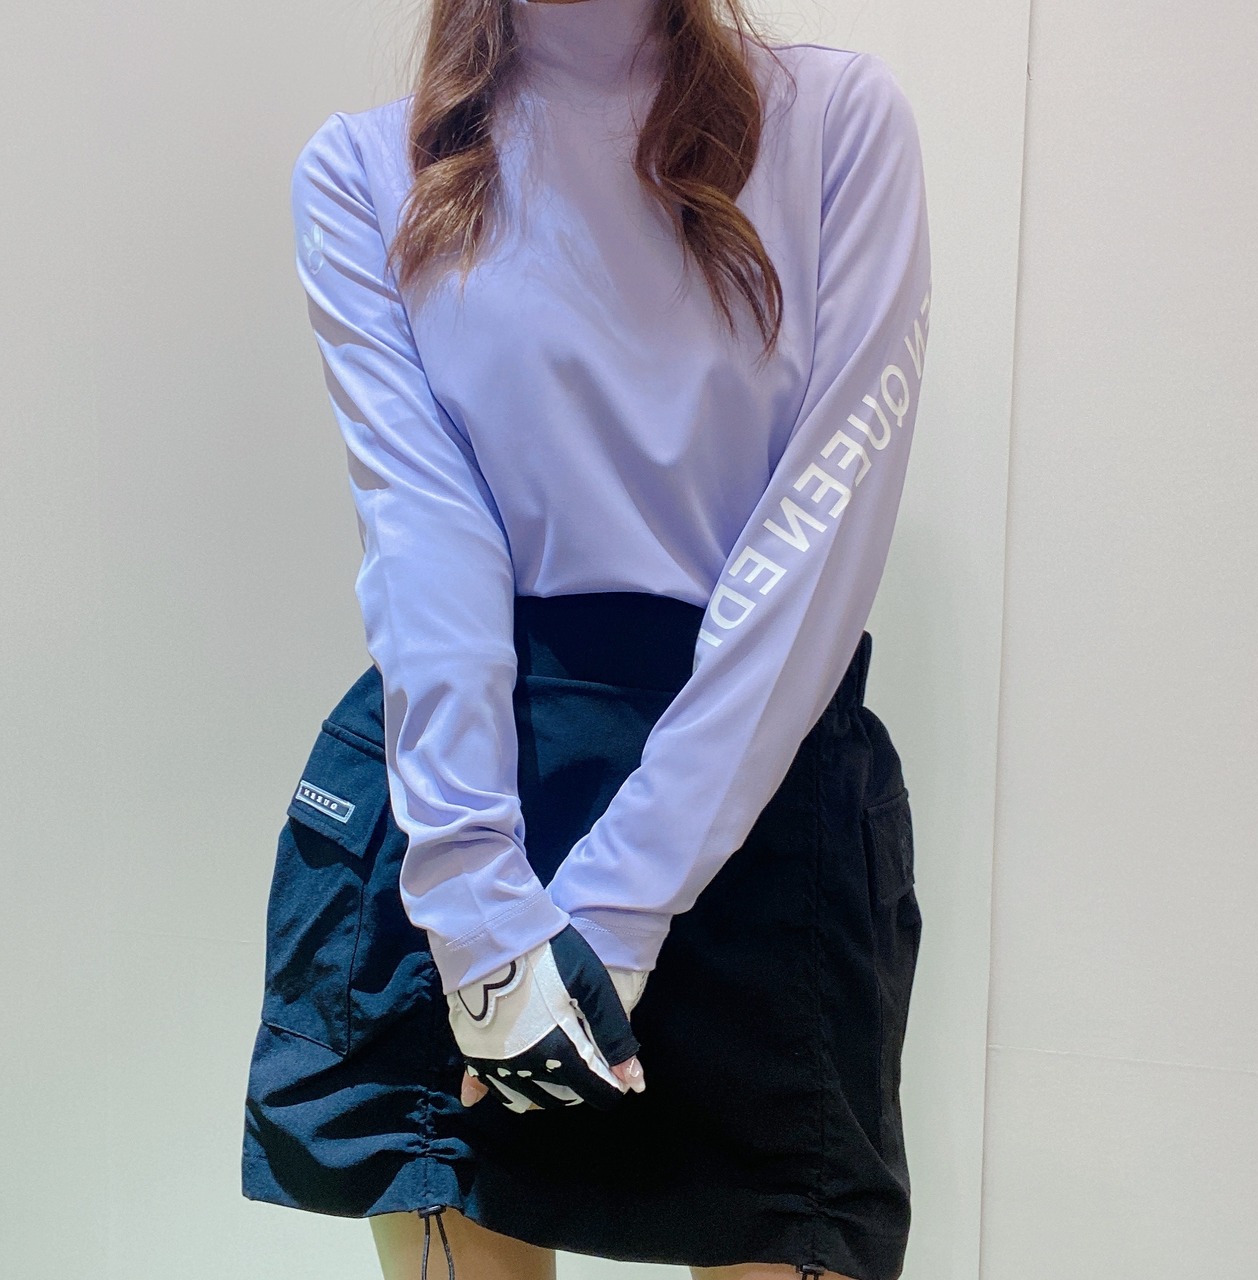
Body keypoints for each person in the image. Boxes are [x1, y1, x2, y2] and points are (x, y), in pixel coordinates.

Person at [241, 0, 932, 1276]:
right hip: (467, 816)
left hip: (760, 805)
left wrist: (618, 900)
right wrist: (477, 907)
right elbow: (425, 536)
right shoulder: (364, 171)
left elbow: (821, 535)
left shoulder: (834, 124)